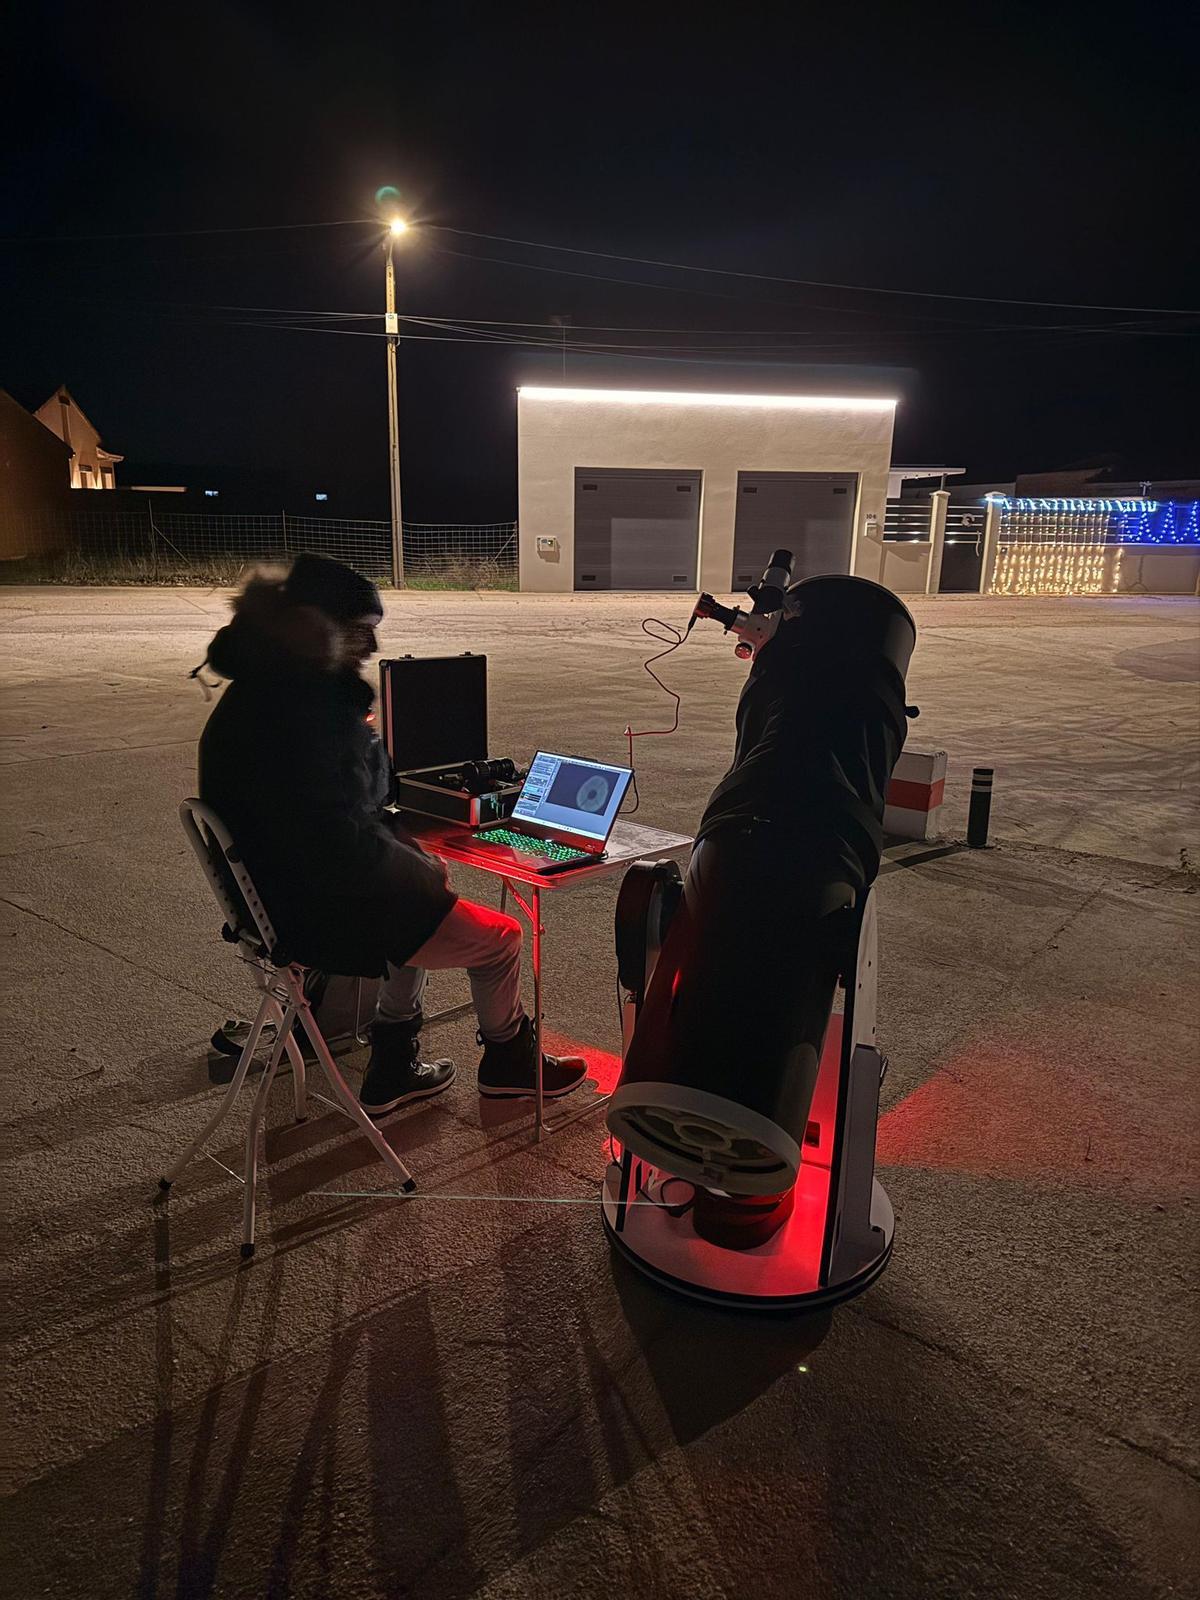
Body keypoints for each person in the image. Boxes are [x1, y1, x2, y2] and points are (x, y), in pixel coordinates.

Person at [196, 553, 586, 1114]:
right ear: (316, 627)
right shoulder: (311, 710)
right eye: (360, 631)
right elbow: (344, 842)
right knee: (501, 938)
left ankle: (393, 1062)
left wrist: (412, 858)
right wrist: (421, 869)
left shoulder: (259, 691)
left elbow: (332, 818)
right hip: (317, 913)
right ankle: (509, 1065)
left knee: (422, 883)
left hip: (269, 905)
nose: (371, 648)